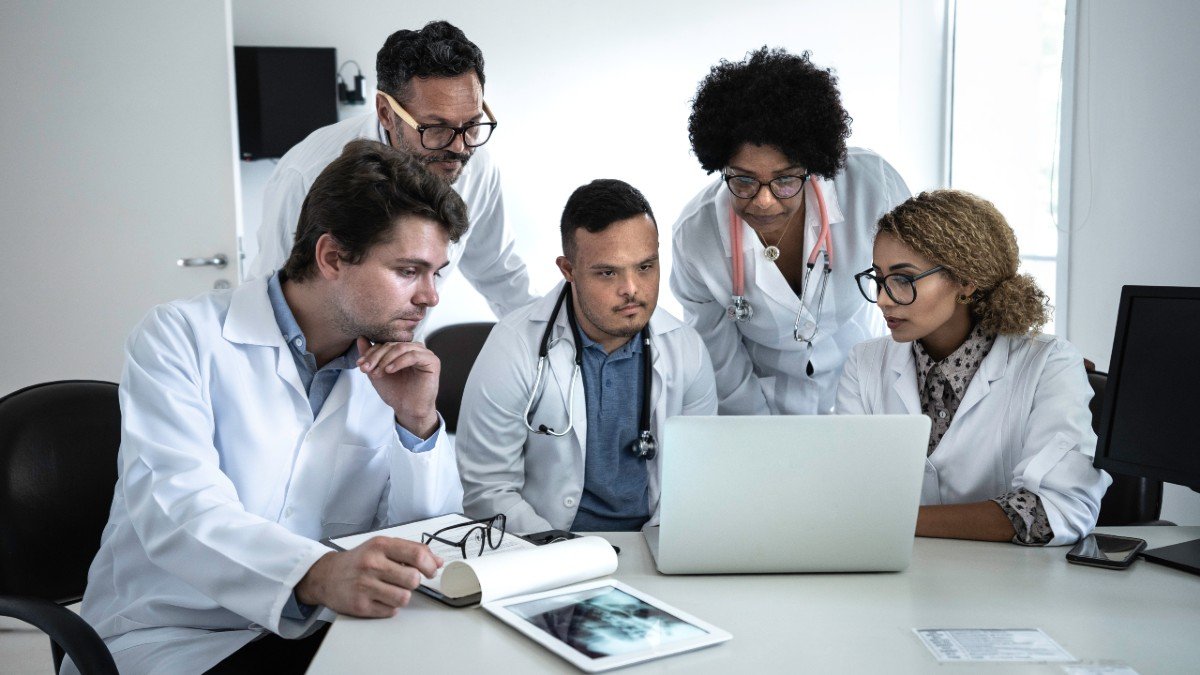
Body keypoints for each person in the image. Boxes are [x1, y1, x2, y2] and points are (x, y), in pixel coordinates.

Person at [69, 141, 466, 674]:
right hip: (172, 635)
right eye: (408, 270)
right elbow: (177, 506)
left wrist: (416, 424)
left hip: (322, 629)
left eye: (436, 273)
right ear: (331, 257)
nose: (430, 297)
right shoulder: (180, 336)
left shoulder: (391, 368)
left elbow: (424, 544)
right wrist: (318, 573)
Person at [836, 190, 1111, 545]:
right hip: (893, 576)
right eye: (879, 278)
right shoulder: (865, 364)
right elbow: (845, 495)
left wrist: (893, 520)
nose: (884, 299)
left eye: (904, 280)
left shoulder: (1049, 363)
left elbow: (1054, 511)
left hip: (1010, 586)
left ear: (966, 281)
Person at [456, 179, 718, 534]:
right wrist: (563, 553)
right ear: (568, 270)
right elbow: (489, 493)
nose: (631, 289)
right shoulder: (513, 347)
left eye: (645, 267)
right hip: (546, 549)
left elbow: (698, 481)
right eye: (608, 272)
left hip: (657, 545)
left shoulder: (685, 349)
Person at [671, 47, 910, 415]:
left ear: (813, 165)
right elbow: (722, 362)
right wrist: (765, 443)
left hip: (869, 388)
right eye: (744, 180)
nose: (764, 201)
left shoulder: (871, 186)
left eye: (784, 180)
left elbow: (916, 293)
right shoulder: (696, 238)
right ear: (721, 166)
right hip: (763, 399)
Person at [249, 20, 534, 327]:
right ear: (386, 112)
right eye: (436, 128)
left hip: (401, 350)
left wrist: (554, 343)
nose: (458, 146)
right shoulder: (308, 173)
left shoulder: (475, 165)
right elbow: (274, 294)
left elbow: (498, 272)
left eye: (472, 125)